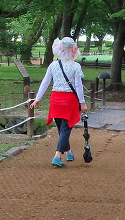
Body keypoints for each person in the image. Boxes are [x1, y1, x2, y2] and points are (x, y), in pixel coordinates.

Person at [30, 37, 88, 167]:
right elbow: (78, 86)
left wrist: (37, 99)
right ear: (73, 50)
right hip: (69, 101)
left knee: (62, 128)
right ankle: (57, 156)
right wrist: (82, 103)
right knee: (66, 129)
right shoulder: (76, 66)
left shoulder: (53, 65)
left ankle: (68, 152)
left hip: (55, 99)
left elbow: (45, 83)